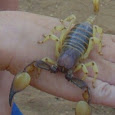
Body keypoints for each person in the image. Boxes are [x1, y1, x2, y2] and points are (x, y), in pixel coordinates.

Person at [0, 1, 115, 115]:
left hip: (82, 39)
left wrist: (87, 77)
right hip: (71, 42)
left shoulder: (80, 63)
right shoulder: (57, 56)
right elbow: (51, 40)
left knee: (91, 40)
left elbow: (88, 66)